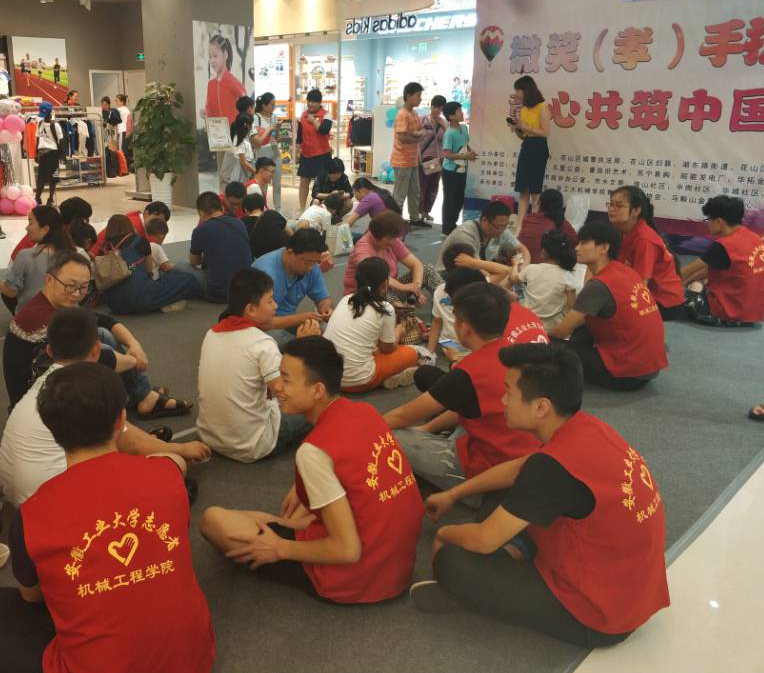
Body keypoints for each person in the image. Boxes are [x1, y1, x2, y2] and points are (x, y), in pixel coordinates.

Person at [411, 343, 670, 648]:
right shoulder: (585, 427)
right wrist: (454, 494)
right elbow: (518, 469)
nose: (503, 400)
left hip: (598, 614)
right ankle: (515, 552)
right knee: (502, 492)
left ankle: (475, 588)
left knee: (452, 562)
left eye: (509, 392)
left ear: (541, 407)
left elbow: (483, 540)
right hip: (627, 585)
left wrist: (445, 534)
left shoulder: (552, 469)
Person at [3, 363, 215, 673]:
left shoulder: (30, 515)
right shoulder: (167, 476)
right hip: (194, 658)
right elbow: (175, 460)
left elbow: (33, 597)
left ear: (51, 429)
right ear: (121, 420)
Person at [199, 336, 424, 604]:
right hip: (397, 565)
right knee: (291, 513)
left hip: (357, 578)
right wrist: (304, 484)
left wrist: (280, 548)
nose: (277, 386)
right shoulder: (366, 411)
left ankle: (290, 533)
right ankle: (293, 526)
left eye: (286, 380)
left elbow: (348, 551)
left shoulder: (313, 451)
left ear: (317, 390)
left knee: (213, 520)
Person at [0, 308, 211, 508]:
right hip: (59, 502)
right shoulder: (90, 389)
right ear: (96, 349)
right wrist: (181, 449)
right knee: (175, 462)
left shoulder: (47, 381)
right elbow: (131, 443)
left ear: (49, 350)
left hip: (20, 497)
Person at [384, 283, 541, 491]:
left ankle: (471, 490)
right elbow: (472, 407)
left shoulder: (468, 372)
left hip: (488, 469)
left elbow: (402, 415)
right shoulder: (515, 350)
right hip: (529, 454)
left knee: (389, 437)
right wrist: (426, 429)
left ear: (464, 327)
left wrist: (365, 429)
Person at [2, 250, 193, 417]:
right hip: (39, 403)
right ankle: (141, 396)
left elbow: (104, 321)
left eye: (83, 287)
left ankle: (142, 394)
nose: (77, 293)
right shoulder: (44, 317)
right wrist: (136, 360)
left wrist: (134, 344)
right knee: (99, 351)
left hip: (49, 382)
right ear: (49, 280)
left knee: (101, 333)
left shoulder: (53, 301)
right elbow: (101, 357)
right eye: (71, 285)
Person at [197, 269, 315, 462]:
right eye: (270, 301)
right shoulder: (262, 343)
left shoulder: (211, 334)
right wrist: (304, 348)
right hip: (252, 445)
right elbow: (287, 395)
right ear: (251, 309)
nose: (275, 305)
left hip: (210, 437)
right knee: (319, 400)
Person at [548, 222, 668, 391]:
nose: (577, 248)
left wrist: (537, 330)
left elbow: (561, 331)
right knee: (581, 330)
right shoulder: (627, 271)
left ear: (604, 247)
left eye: (584, 243)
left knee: (549, 343)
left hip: (627, 375)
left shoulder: (599, 285)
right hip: (648, 368)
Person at [324, 258, 419, 392]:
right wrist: (399, 331)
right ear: (385, 284)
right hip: (357, 381)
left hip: (329, 377)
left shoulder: (346, 299)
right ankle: (385, 377)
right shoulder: (385, 308)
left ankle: (385, 375)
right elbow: (387, 349)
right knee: (413, 353)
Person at [682, 195, 764, 326]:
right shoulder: (754, 238)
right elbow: (709, 269)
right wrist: (688, 281)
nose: (708, 223)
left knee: (674, 297)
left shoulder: (724, 246)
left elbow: (688, 271)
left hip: (728, 313)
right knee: (697, 281)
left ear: (719, 221)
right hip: (753, 313)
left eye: (709, 219)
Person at [96, 215, 202, 314]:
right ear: (129, 225)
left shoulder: (104, 248)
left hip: (114, 304)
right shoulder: (140, 240)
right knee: (188, 280)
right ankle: (163, 303)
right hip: (139, 297)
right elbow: (149, 270)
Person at [609, 186, 684, 321]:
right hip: (643, 290)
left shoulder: (644, 239)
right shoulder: (621, 230)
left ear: (636, 210)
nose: (611, 209)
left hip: (663, 301)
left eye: (619, 206)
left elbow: (641, 286)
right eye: (610, 204)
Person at [252, 229, 333, 344]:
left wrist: (326, 308)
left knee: (330, 332)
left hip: (288, 320)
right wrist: (301, 318)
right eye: (307, 262)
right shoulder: (266, 273)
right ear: (290, 252)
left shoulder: (310, 263)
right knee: (308, 345)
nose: (310, 268)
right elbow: (262, 323)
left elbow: (323, 298)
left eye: (315, 262)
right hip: (261, 327)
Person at [343, 211, 441, 304]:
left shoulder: (391, 239)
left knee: (427, 269)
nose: (393, 242)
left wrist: (416, 288)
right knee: (381, 290)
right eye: (389, 239)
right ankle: (401, 311)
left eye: (394, 238)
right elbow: (376, 278)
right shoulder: (363, 249)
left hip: (387, 289)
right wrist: (404, 287)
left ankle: (445, 301)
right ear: (375, 236)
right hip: (365, 295)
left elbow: (416, 264)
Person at [0, 206, 80, 313]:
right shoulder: (74, 255)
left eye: (30, 223)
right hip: (68, 316)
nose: (26, 228)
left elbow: (10, 292)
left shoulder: (26, 256)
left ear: (45, 229)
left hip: (34, 318)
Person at [181, 192, 253, 303]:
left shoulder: (200, 230)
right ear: (221, 208)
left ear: (201, 212)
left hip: (220, 293)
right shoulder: (240, 223)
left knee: (179, 266)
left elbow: (194, 261)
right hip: (245, 288)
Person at [435, 201, 530, 274]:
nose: (502, 231)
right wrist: (510, 272)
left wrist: (522, 268)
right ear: (484, 220)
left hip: (473, 272)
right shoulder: (465, 234)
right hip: (449, 275)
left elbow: (523, 249)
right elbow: (478, 269)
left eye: (505, 226)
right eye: (498, 227)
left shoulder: (501, 230)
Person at [511, 230, 578, 331]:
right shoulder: (568, 276)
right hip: (551, 327)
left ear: (544, 252)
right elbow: (571, 307)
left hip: (526, 321)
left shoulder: (531, 268)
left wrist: (515, 264)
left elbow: (513, 279)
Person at [510, 76, 551, 231]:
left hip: (539, 148)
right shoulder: (524, 109)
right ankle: (519, 227)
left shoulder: (543, 107)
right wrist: (516, 129)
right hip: (527, 146)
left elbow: (545, 133)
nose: (516, 94)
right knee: (523, 190)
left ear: (526, 90)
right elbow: (524, 135)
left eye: (518, 90)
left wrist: (526, 128)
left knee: (535, 190)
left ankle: (533, 227)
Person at [391, 82, 429, 228]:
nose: (420, 99)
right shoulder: (403, 114)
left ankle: (414, 218)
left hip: (412, 159)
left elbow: (421, 131)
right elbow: (403, 137)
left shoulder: (414, 113)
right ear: (408, 96)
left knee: (415, 191)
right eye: (418, 96)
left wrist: (417, 135)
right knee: (400, 194)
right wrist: (418, 136)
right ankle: (394, 222)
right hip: (402, 160)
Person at [441, 101, 478, 235]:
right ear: (451, 116)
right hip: (450, 172)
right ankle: (447, 227)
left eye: (461, 111)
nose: (462, 113)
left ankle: (453, 224)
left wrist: (470, 153)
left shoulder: (464, 128)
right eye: (458, 112)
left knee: (459, 199)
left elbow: (466, 145)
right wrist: (464, 156)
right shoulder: (449, 133)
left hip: (462, 170)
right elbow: (446, 154)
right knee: (450, 199)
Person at [90, 200, 172, 257]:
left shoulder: (137, 221)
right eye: (156, 219)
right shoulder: (134, 226)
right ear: (146, 213)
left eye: (161, 222)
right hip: (102, 260)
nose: (157, 223)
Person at [296, 89, 333, 213]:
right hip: (306, 154)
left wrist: (313, 121)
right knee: (304, 182)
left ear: (319, 103)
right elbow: (299, 136)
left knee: (322, 182)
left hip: (322, 154)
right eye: (309, 101)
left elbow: (324, 130)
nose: (310, 104)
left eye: (314, 102)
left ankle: (321, 210)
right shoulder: (303, 115)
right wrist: (297, 151)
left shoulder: (326, 115)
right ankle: (302, 209)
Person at [518, 189, 578, 264]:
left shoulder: (527, 219)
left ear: (540, 203)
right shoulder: (560, 223)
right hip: (544, 265)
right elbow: (575, 243)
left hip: (522, 262)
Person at [203, 33, 245, 123]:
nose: (212, 61)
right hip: (216, 131)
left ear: (225, 55)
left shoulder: (232, 81)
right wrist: (204, 114)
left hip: (233, 130)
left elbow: (246, 104)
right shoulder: (211, 84)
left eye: (215, 56)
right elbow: (209, 110)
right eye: (210, 57)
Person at [418, 95, 447, 222]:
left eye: (440, 108)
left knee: (433, 186)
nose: (437, 110)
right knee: (422, 185)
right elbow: (416, 139)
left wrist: (444, 125)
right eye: (435, 107)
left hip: (437, 159)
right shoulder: (422, 120)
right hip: (424, 158)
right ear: (431, 106)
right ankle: (418, 211)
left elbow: (449, 138)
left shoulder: (443, 122)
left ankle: (426, 211)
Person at [253, 92, 283, 211]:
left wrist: (278, 130)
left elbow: (277, 138)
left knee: (277, 182)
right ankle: (261, 208)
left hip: (274, 149)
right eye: (272, 105)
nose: (273, 107)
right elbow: (257, 140)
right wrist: (269, 129)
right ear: (264, 105)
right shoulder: (256, 118)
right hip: (262, 151)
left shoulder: (274, 117)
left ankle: (278, 209)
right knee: (263, 182)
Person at [34, 101, 63, 206]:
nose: (44, 116)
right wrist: (36, 153)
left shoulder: (56, 125)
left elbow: (61, 141)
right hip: (43, 154)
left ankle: (50, 199)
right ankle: (37, 198)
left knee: (53, 178)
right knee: (41, 178)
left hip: (53, 154)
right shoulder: (40, 124)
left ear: (50, 113)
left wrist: (61, 155)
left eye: (45, 114)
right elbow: (38, 139)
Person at [221, 114, 256, 187]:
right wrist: (256, 172)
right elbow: (243, 162)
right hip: (235, 179)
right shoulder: (239, 141)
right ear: (247, 126)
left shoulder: (239, 138)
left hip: (237, 178)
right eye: (251, 125)